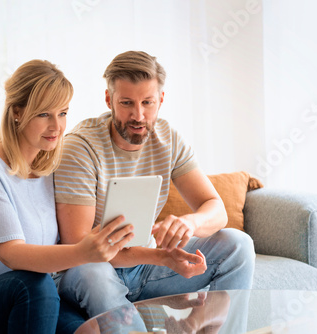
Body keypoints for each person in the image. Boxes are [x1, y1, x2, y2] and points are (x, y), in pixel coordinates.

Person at [0, 59, 134, 334]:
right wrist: (82, 252)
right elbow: (11, 255)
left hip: (31, 298)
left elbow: (63, 243)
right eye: (43, 114)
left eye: (62, 113)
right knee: (34, 283)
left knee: (89, 329)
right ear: (17, 112)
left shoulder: (49, 169)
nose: (56, 126)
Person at [53, 51, 256, 330]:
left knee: (238, 245)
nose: (138, 115)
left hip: (146, 268)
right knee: (92, 271)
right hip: (95, 270)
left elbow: (215, 208)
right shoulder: (81, 147)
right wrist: (163, 256)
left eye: (147, 102)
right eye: (126, 103)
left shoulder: (168, 139)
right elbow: (80, 247)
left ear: (160, 100)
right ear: (108, 99)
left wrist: (190, 222)